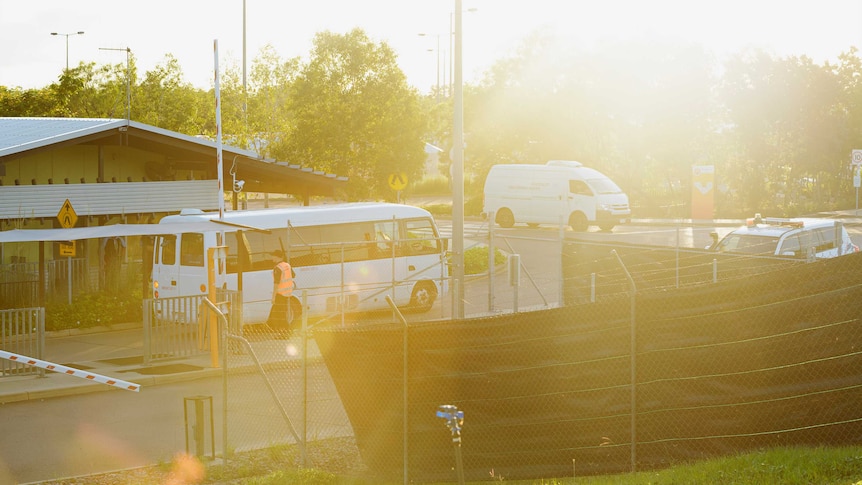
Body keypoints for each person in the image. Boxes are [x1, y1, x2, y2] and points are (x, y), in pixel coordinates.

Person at [266, 250, 295, 334]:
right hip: (287, 293)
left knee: (280, 315)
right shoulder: (287, 265)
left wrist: (273, 297)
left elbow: (276, 283)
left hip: (280, 294)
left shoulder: (278, 268)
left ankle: (286, 333)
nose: (272, 258)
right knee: (281, 314)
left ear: (277, 257)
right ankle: (283, 332)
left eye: (273, 256)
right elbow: (293, 275)